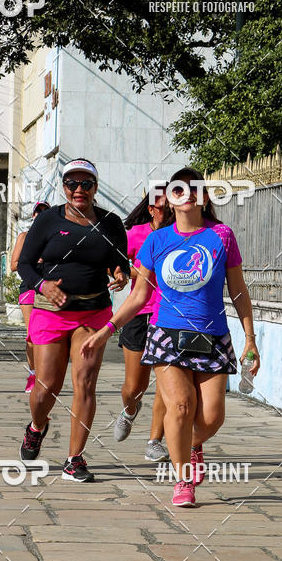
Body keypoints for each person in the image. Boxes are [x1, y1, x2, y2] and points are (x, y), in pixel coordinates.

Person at [82, 166, 260, 508]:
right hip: (166, 334)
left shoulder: (222, 236)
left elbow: (238, 291)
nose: (187, 194)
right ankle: (183, 481)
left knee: (212, 416)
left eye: (195, 189)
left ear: (205, 197)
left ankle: (192, 445)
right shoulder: (157, 240)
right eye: (178, 190)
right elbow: (137, 296)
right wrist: (107, 330)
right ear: (170, 199)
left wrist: (250, 338)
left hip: (213, 336)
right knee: (179, 405)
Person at [17, 158, 129, 482]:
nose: (79, 190)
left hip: (93, 314)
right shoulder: (49, 220)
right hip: (51, 312)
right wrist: (43, 284)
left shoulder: (110, 223)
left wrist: (120, 275)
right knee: (45, 388)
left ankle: (74, 459)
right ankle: (37, 426)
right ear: (64, 187)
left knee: (85, 382)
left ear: (95, 187)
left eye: (86, 184)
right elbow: (25, 264)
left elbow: (119, 263)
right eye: (72, 184)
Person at [113, 193, 170, 462]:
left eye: (173, 207)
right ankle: (129, 410)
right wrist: (128, 274)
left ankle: (154, 441)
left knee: (166, 385)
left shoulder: (184, 234)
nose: (169, 212)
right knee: (134, 386)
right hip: (140, 313)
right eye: (163, 209)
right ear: (151, 209)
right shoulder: (135, 234)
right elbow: (118, 266)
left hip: (170, 316)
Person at [10, 200, 50, 392]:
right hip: (29, 288)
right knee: (32, 334)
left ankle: (46, 375)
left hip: (50, 289)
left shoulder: (55, 237)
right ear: (33, 215)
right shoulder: (24, 237)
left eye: (45, 211)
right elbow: (13, 264)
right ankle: (33, 374)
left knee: (48, 334)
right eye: (38, 211)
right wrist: (33, 261)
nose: (41, 214)